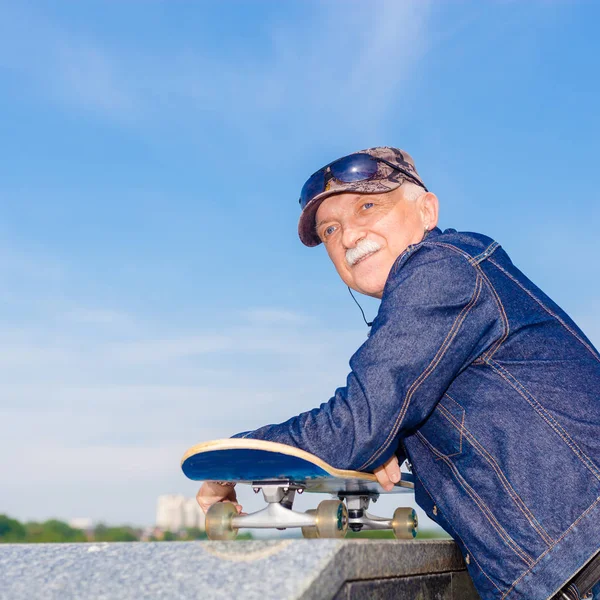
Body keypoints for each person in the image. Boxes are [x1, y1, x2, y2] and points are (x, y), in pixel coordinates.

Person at [197, 147, 600, 600]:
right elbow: (387, 423)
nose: (349, 236)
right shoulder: (447, 296)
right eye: (331, 229)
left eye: (368, 206)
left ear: (426, 209)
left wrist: (235, 458)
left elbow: (355, 425)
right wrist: (393, 444)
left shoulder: (441, 267)